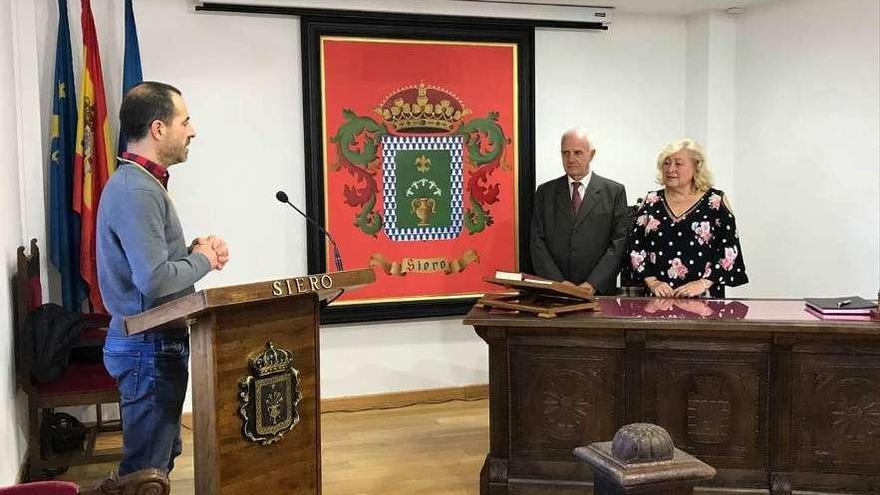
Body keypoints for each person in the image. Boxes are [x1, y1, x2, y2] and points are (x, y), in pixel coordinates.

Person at [97, 81, 229, 475]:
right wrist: (204, 259)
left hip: (149, 343)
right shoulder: (136, 189)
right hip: (147, 346)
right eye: (184, 121)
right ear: (158, 129)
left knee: (158, 462)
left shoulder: (140, 182)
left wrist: (189, 254)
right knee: (145, 472)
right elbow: (153, 280)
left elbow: (148, 267)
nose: (192, 130)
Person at [627, 138, 747, 298]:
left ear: (696, 167)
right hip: (658, 298)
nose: (670, 169)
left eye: (678, 163)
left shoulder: (716, 201)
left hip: (705, 299)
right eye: (666, 163)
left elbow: (729, 250)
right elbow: (635, 247)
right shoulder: (651, 200)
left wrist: (703, 283)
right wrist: (652, 282)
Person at [530, 128, 629, 295]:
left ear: (592, 154)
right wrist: (558, 283)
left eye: (577, 152)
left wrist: (593, 283)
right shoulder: (545, 192)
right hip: (554, 291)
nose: (571, 159)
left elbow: (619, 243)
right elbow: (537, 242)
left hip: (598, 292)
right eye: (565, 153)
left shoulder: (614, 192)